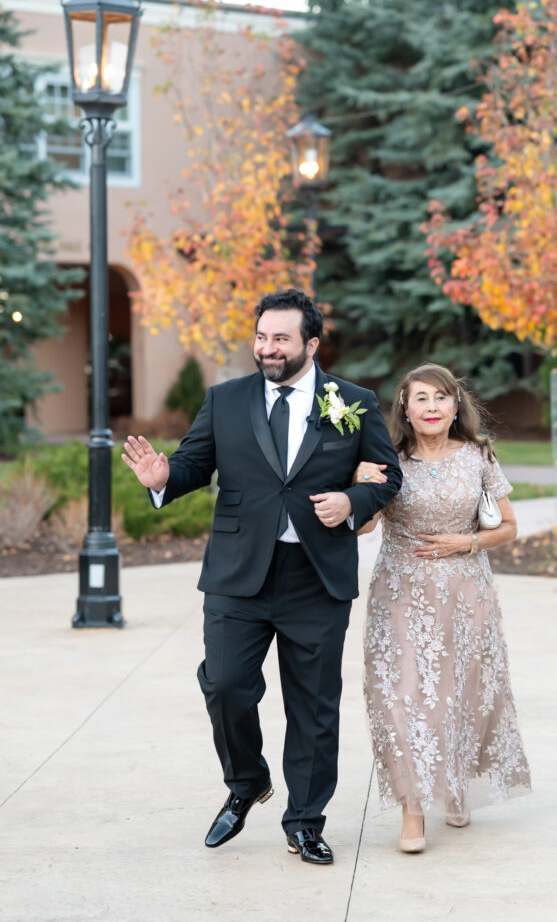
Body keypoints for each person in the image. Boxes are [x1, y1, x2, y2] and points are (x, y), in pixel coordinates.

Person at [122, 290, 402, 865]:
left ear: (311, 344)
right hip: (237, 574)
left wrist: (352, 502)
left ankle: (304, 820)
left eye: (280, 338)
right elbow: (195, 465)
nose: (267, 348)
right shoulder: (226, 399)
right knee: (224, 684)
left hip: (316, 575)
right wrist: (162, 477)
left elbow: (388, 475)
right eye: (261, 337)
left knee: (314, 706)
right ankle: (247, 781)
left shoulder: (353, 401)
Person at [354, 363, 531, 853]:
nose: (432, 407)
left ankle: (454, 789)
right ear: (405, 410)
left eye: (441, 398)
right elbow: (363, 527)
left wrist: (465, 540)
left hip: (464, 594)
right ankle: (413, 812)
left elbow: (508, 527)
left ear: (456, 406)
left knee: (459, 696)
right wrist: (359, 484)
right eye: (421, 399)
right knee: (401, 698)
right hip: (401, 596)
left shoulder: (479, 456)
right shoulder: (388, 459)